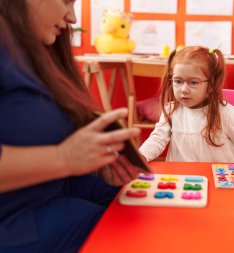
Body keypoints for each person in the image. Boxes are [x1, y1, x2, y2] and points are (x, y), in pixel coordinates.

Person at [0, 1, 143, 252]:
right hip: (16, 224)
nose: (73, 18)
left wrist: (98, 164)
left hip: (52, 194)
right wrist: (64, 158)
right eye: (66, 1)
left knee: (141, 204)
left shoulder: (33, 51)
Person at [139, 46, 234, 165]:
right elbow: (156, 140)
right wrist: (140, 156)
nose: (184, 89)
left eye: (193, 82)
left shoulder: (226, 113)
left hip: (222, 182)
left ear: (212, 85)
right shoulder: (171, 110)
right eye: (178, 81)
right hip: (184, 181)